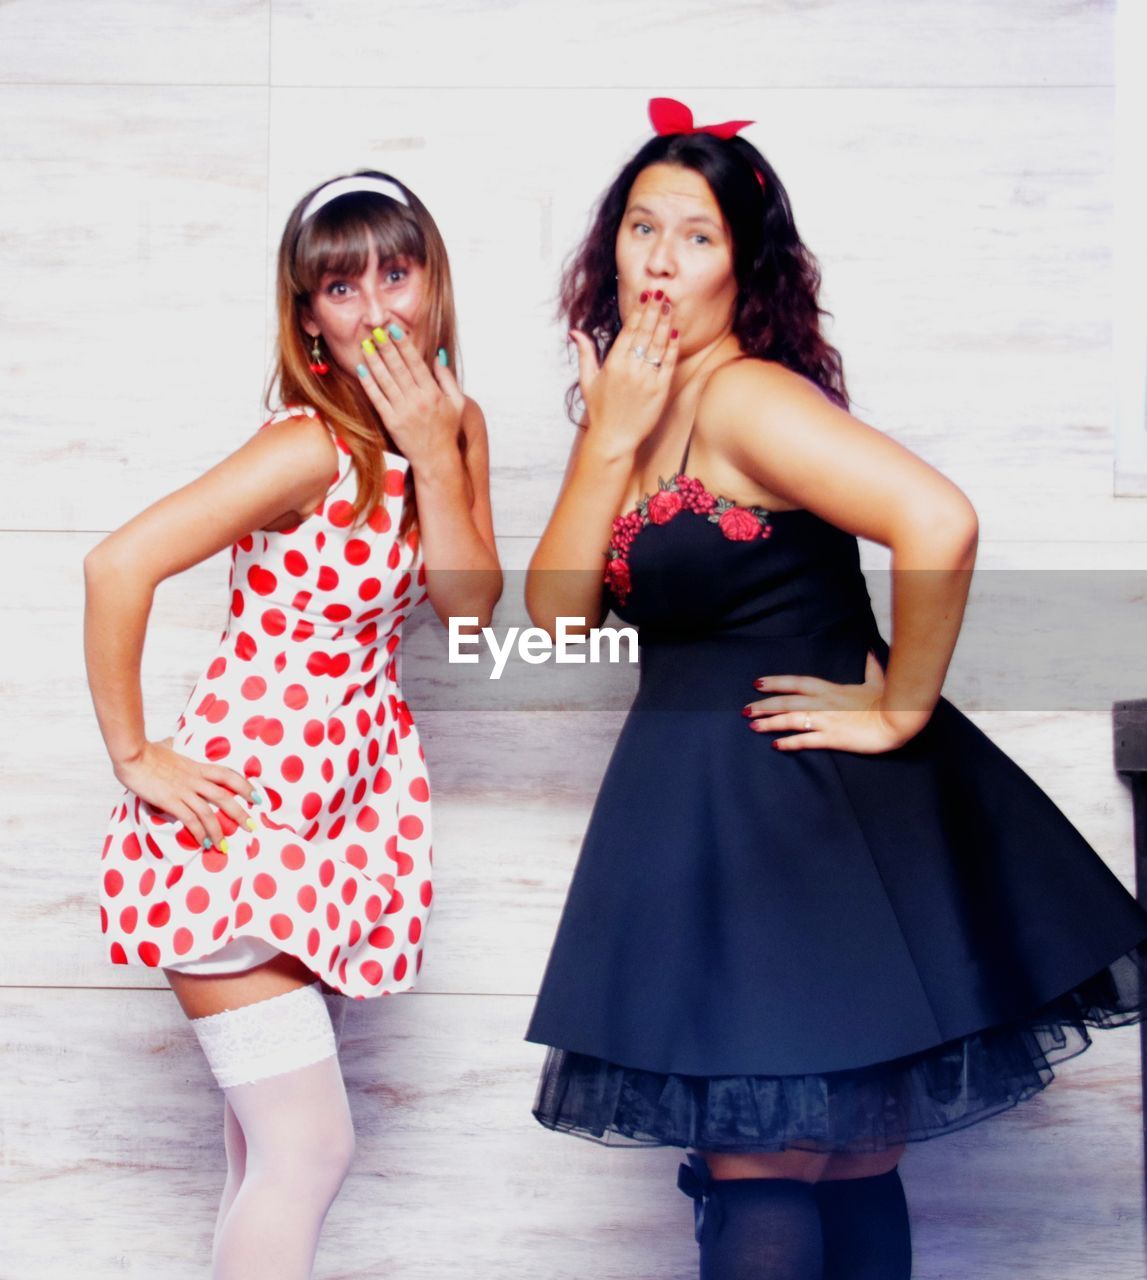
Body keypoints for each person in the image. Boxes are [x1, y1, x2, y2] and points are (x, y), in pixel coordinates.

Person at [523, 98, 1147, 1280]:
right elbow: (556, 618)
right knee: (839, 1151)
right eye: (641, 226)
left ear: (742, 264)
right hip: (708, 810)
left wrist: (900, 703)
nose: (659, 257)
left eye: (695, 234)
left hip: (799, 812)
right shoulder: (630, 407)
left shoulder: (748, 396)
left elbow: (937, 519)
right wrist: (606, 436)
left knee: (777, 1157)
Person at [86, 170, 501, 1278]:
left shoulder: (457, 430)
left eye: (395, 272)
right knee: (310, 1146)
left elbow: (470, 608)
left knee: (265, 1152)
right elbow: (118, 562)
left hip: (335, 818)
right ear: (307, 311)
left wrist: (436, 439)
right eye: (340, 284)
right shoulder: (307, 447)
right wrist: (136, 753)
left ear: (431, 281)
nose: (376, 308)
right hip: (240, 819)